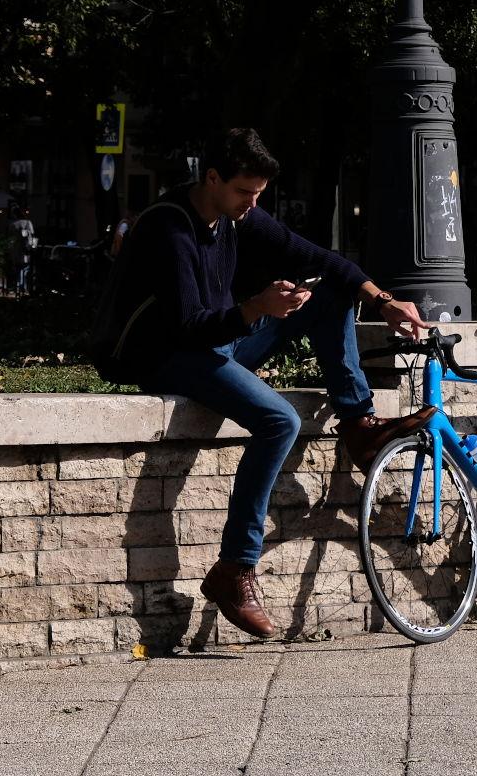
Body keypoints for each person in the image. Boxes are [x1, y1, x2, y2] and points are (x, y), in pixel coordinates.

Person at [89, 128, 432, 640]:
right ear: (212, 178)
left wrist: (382, 300)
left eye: (258, 195)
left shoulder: (234, 214)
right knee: (279, 420)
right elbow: (187, 326)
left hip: (216, 341)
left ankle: (358, 424)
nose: (252, 205)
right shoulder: (170, 229)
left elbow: (318, 257)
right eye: (244, 192)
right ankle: (234, 570)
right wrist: (255, 309)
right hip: (162, 356)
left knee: (331, 295)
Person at [9, 208, 37, 294]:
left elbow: (10, 237)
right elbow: (32, 234)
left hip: (17, 248)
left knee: (18, 267)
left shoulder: (13, 224)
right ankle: (24, 286)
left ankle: (19, 285)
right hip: (27, 247)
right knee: (27, 267)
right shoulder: (28, 222)